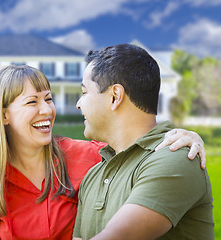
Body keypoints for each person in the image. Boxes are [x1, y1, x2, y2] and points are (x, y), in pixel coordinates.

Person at [0, 65, 206, 239]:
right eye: (32, 102)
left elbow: (136, 146)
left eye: (48, 99)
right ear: (4, 115)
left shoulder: (87, 155)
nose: (46, 110)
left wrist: (182, 136)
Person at [73, 44, 214, 239]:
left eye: (84, 92)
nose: (79, 104)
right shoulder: (93, 176)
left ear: (115, 96)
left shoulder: (176, 157)